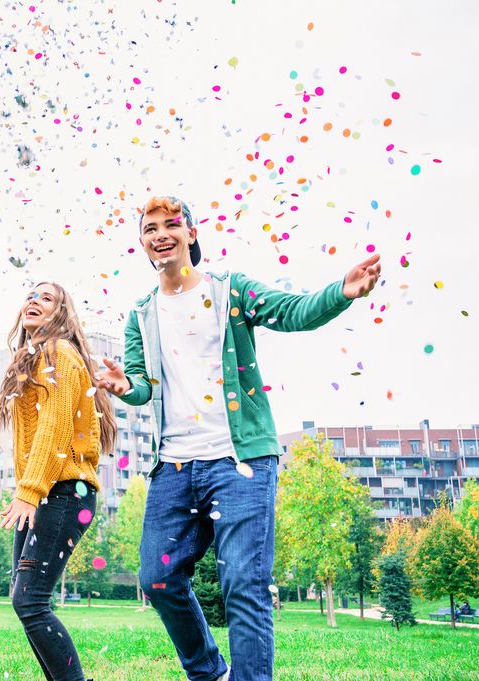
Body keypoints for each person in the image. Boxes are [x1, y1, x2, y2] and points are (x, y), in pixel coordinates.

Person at [99, 196, 381, 681]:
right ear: (142, 243)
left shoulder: (231, 291)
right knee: (158, 578)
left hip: (240, 463)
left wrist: (342, 291)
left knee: (243, 583)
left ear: (191, 232)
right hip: (174, 467)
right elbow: (142, 386)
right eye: (150, 228)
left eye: (171, 224)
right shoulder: (141, 315)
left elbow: (294, 313)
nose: (161, 233)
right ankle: (209, 672)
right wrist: (126, 387)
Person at [0, 282, 115, 681]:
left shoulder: (60, 353)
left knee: (30, 600)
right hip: (47, 491)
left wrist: (30, 492)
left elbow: (56, 426)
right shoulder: (33, 359)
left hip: (62, 492)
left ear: (61, 314)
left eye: (45, 298)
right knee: (26, 600)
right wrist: (27, 490)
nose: (32, 300)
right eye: (30, 294)